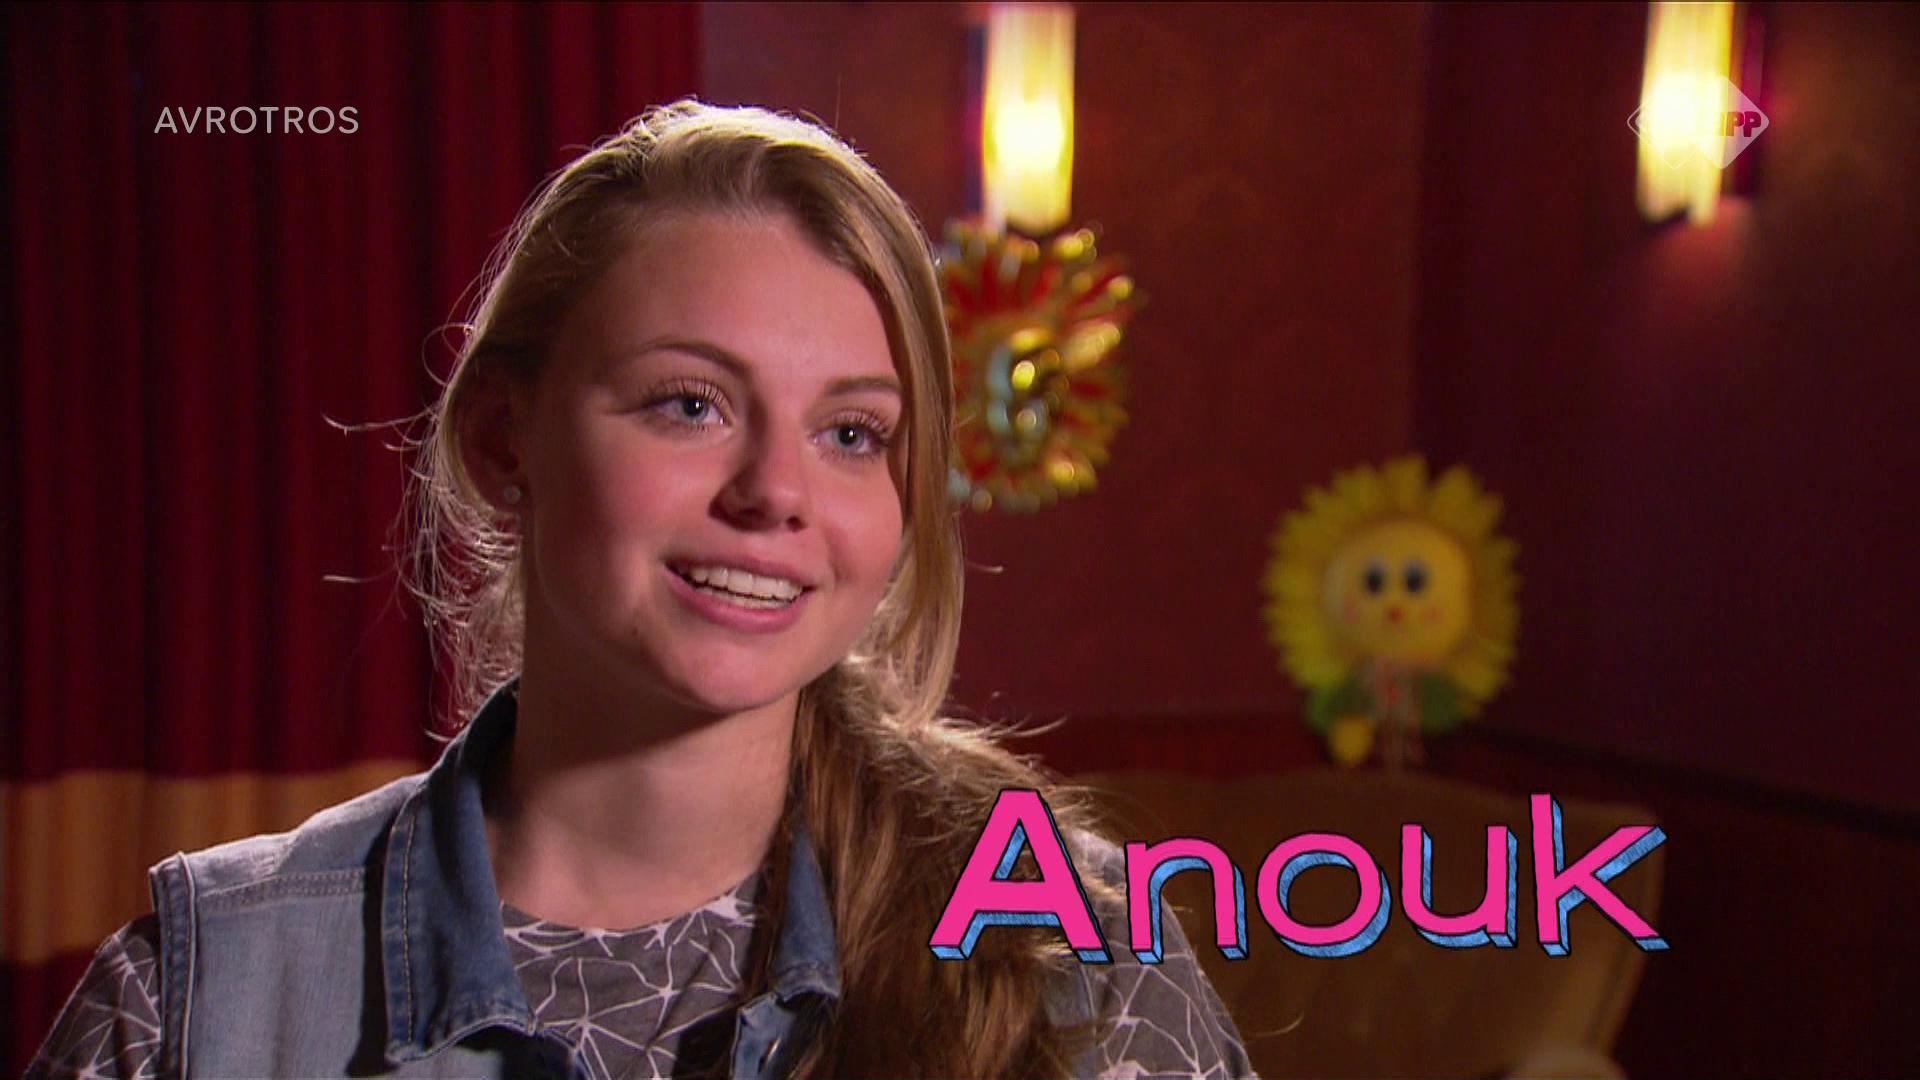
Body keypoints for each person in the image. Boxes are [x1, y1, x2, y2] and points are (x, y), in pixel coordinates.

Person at [28, 101, 1253, 1079]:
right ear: (504, 440)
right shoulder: (197, 1001)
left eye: (852, 433)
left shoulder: (1068, 960)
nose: (776, 493)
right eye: (690, 404)